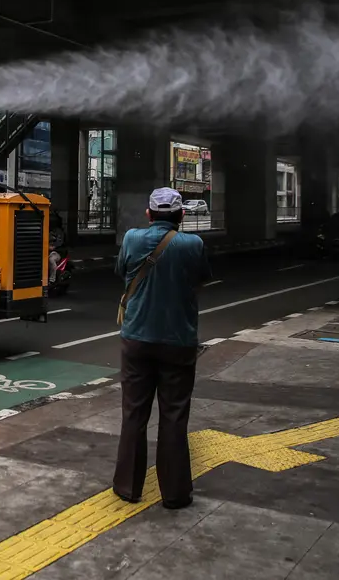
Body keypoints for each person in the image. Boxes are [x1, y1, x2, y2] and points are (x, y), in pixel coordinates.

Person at [112, 187, 211, 510]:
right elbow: (201, 280)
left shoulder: (131, 239)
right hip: (178, 342)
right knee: (174, 417)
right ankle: (175, 493)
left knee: (134, 414)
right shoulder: (193, 245)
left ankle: (128, 487)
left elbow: (121, 273)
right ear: (182, 216)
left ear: (149, 214)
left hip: (137, 338)